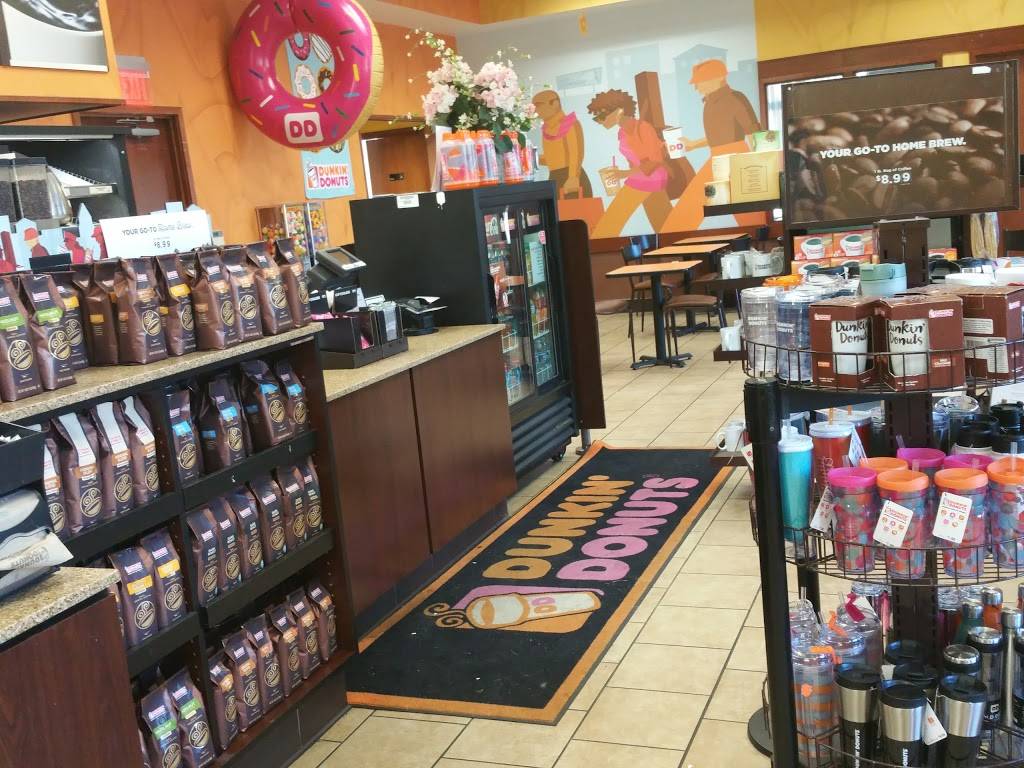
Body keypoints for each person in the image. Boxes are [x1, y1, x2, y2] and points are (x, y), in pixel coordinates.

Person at [660, 58, 763, 233]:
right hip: (718, 158)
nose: (696, 87)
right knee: (689, 208)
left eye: (700, 81)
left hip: (737, 158)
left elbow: (753, 132)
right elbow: (719, 136)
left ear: (719, 78)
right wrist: (693, 144)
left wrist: (758, 165)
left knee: (750, 213)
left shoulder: (735, 98)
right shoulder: (709, 103)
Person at [587, 89, 671, 238]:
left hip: (649, 179)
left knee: (609, 224)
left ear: (619, 111)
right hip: (644, 179)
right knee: (665, 225)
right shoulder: (622, 132)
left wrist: (625, 174)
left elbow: (655, 160)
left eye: (602, 116)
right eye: (596, 118)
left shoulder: (643, 128)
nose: (599, 121)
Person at [532, 90, 592, 198]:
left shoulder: (569, 123)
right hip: (554, 178)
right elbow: (552, 158)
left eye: (538, 105)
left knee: (577, 209)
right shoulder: (546, 129)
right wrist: (530, 158)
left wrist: (573, 177)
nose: (535, 110)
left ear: (555, 103)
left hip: (570, 178)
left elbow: (576, 154)